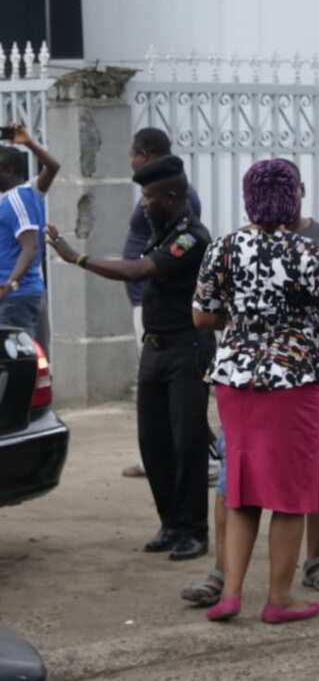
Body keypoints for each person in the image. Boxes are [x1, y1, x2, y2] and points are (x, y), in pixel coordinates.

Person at [181, 159, 319, 606]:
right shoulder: (309, 252)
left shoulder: (222, 249)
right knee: (290, 494)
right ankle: (279, 601)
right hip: (294, 381)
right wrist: (292, 321)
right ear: (294, 198)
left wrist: (245, 319)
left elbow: (202, 316)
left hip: (236, 381)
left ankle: (231, 594)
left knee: (240, 488)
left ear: (248, 199)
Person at [47, 156, 214, 561]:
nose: (143, 203)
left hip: (186, 348)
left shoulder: (191, 237)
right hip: (155, 348)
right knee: (153, 441)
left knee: (187, 441)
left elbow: (140, 271)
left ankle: (194, 530)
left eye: (150, 196)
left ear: (172, 197)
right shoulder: (163, 231)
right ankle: (170, 523)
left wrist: (79, 259)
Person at [121, 128, 202, 479]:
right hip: (147, 300)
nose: (130, 160)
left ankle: (202, 456)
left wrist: (79, 259)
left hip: (169, 317)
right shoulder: (153, 191)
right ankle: (159, 455)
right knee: (156, 400)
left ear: (147, 153)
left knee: (178, 405)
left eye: (133, 153)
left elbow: (166, 254)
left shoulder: (181, 200)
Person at [0, 125, 61, 338]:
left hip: (15, 297)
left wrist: (10, 284)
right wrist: (28, 142)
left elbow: (30, 246)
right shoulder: (30, 191)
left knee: (16, 363)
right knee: (33, 361)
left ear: (7, 171)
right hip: (29, 294)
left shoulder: (15, 199)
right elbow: (53, 167)